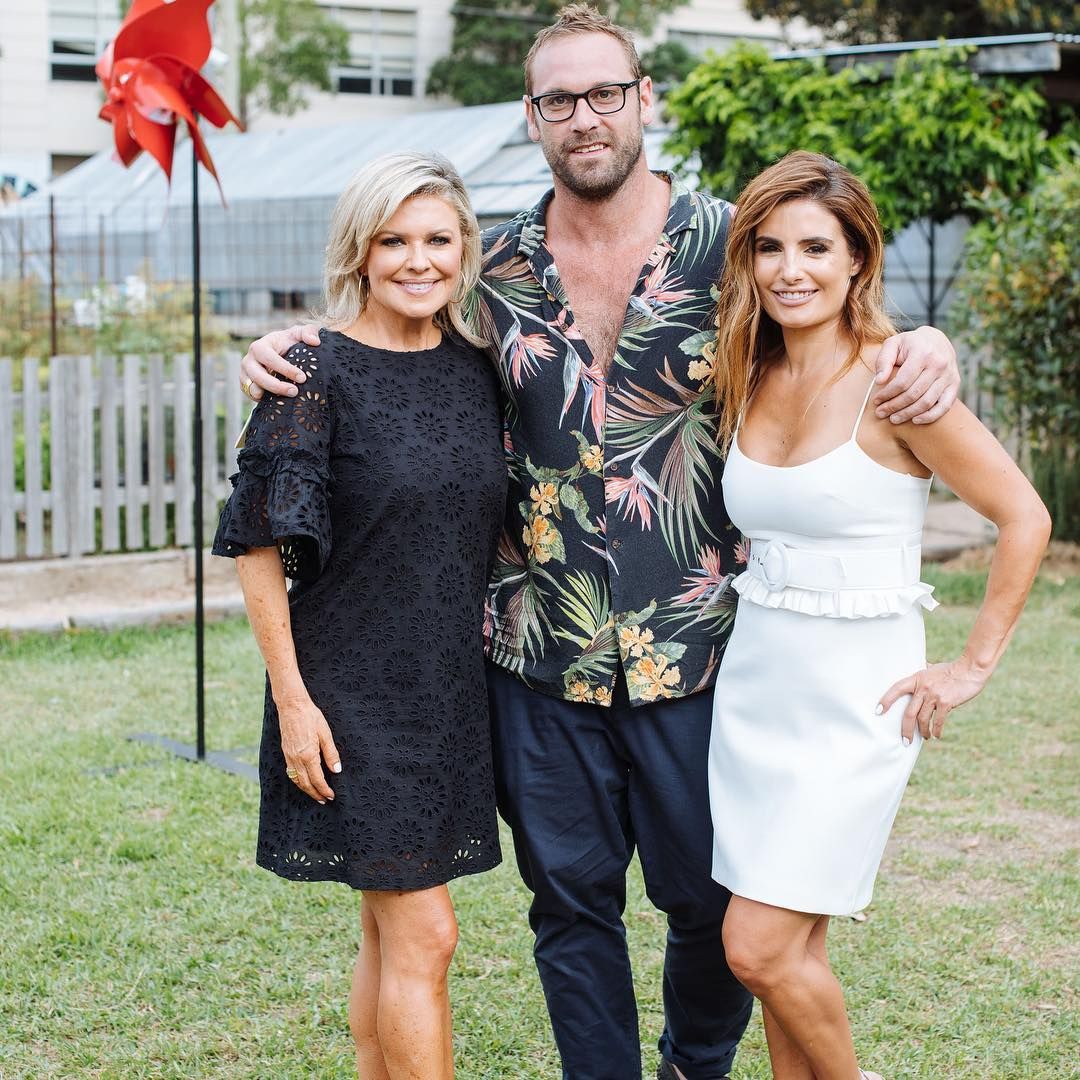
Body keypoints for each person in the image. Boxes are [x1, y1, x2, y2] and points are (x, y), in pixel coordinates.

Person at [237, 8, 965, 1078]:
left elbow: (837, 314)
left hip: (704, 644)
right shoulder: (492, 266)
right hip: (539, 649)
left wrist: (929, 340)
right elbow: (390, 335)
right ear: (532, 115)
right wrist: (281, 348)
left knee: (710, 900)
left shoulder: (733, 246)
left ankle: (694, 1066)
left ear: (643, 98)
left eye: (605, 93)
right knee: (569, 904)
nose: (585, 117)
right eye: (560, 99)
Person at [706, 151, 1051, 1080]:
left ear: (857, 257)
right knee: (792, 954)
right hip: (756, 693)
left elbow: (1025, 517)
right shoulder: (748, 370)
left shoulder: (899, 384)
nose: (791, 270)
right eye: (770, 248)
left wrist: (970, 666)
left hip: (856, 700)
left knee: (757, 948)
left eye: (816, 247)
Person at [213, 151, 506, 1080]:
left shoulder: (480, 370)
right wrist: (293, 702)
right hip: (348, 696)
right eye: (393, 241)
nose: (418, 261)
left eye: (438, 240)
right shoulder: (312, 371)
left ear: (464, 249)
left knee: (390, 929)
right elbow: (258, 545)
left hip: (448, 694)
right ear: (360, 253)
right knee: (427, 932)